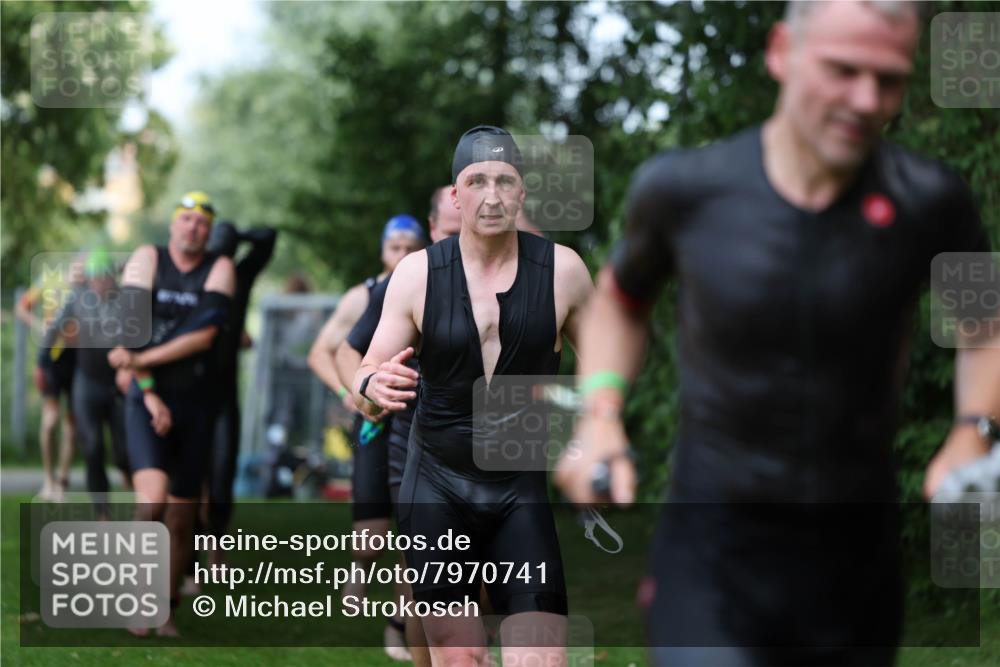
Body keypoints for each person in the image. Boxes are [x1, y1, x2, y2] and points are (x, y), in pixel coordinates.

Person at [554, 2, 999, 665]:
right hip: (712, 548)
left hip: (854, 560)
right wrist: (600, 412)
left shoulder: (930, 201)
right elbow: (620, 299)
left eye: (890, 79)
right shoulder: (684, 190)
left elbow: (984, 323)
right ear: (782, 51)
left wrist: (975, 429)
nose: (865, 100)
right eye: (842, 70)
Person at [353, 125, 593, 666]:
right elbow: (365, 377)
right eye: (477, 181)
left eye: (505, 181)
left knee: (543, 658)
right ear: (455, 196)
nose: (492, 195)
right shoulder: (416, 275)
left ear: (522, 191)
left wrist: (594, 428)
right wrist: (372, 385)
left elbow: (607, 366)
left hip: (519, 489)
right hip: (436, 484)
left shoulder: (564, 271)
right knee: (462, 658)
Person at [336, 186, 464, 666]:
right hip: (411, 442)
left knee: (485, 583)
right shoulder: (407, 281)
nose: (459, 242)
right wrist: (364, 392)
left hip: (481, 450)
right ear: (434, 231)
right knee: (417, 570)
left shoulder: (509, 277)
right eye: (449, 233)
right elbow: (350, 352)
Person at [108, 191, 236, 637]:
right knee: (152, 502)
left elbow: (203, 336)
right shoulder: (147, 258)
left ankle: (165, 607)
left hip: (197, 406)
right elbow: (127, 338)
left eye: (202, 222)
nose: (193, 228)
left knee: (183, 517)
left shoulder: (220, 268)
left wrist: (142, 360)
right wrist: (148, 391)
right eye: (185, 219)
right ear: (172, 224)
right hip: (146, 401)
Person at [308, 213, 425, 655]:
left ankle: (398, 621)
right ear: (382, 250)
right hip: (374, 416)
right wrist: (350, 393)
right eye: (394, 247)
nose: (402, 254)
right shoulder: (365, 295)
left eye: (409, 246)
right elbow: (324, 351)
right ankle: (359, 570)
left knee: (413, 523)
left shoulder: (429, 284)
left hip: (418, 414)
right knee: (373, 528)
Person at [40, 249, 131, 517]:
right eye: (94, 278)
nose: (99, 283)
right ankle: (102, 514)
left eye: (104, 277)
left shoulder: (126, 301)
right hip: (87, 384)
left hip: (118, 387)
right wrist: (42, 363)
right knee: (92, 449)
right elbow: (53, 330)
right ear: (88, 279)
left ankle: (126, 471)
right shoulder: (77, 299)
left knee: (123, 452)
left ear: (112, 278)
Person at [204, 222, 277, 555]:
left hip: (223, 394)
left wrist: (236, 235)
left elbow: (269, 235)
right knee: (190, 479)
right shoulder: (193, 274)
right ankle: (188, 560)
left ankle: (216, 548)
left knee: (221, 473)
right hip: (187, 393)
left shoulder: (240, 276)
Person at [16, 255, 86, 500]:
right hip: (51, 359)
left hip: (79, 360)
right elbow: (21, 307)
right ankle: (48, 480)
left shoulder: (91, 291)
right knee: (50, 421)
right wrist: (38, 326)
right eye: (79, 270)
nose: (82, 275)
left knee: (72, 426)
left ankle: (62, 484)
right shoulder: (50, 281)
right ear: (72, 267)